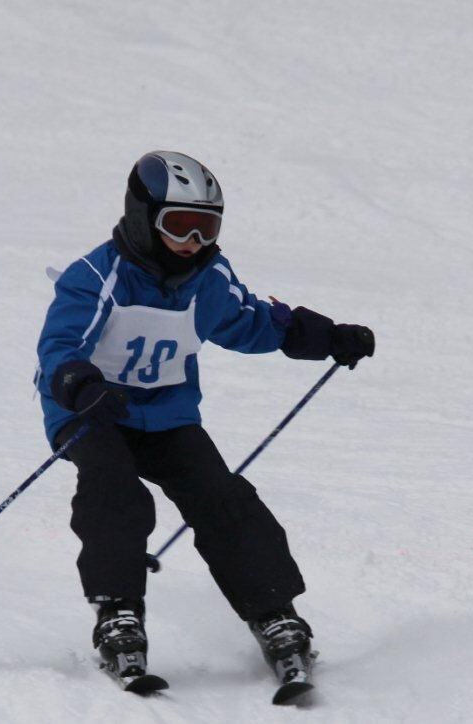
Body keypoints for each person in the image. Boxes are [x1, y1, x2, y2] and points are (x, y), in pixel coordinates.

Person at [34, 150, 375, 680]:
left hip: (167, 415)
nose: (193, 242)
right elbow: (60, 345)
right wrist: (81, 385)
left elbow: (252, 322)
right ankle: (118, 612)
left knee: (221, 496)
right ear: (145, 220)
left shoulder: (209, 276)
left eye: (206, 228)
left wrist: (326, 337)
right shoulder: (97, 275)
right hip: (93, 412)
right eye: (180, 226)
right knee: (114, 489)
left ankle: (274, 613)